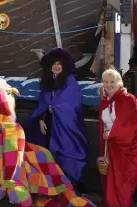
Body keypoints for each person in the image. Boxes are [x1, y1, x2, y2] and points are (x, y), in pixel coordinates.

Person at [0, 80, 95, 207]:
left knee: (27, 198)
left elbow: (14, 160)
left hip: (15, 177)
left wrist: (11, 183)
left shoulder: (11, 129)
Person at [25, 48, 89, 193]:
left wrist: (54, 109)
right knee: (46, 149)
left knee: (67, 149)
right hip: (48, 122)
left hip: (66, 124)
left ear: (64, 65)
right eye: (54, 63)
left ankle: (71, 182)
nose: (56, 66)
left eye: (59, 64)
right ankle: (51, 182)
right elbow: (42, 103)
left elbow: (71, 104)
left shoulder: (70, 80)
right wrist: (40, 118)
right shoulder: (47, 80)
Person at [98, 68, 137, 207]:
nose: (109, 85)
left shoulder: (128, 99)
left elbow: (129, 126)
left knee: (123, 184)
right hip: (112, 148)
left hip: (126, 151)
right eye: (106, 82)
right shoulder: (105, 100)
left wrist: (111, 134)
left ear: (119, 82)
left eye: (112, 81)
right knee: (111, 183)